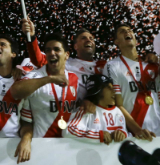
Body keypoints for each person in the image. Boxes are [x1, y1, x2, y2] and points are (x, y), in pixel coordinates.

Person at [105, 23, 160, 142]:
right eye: (122, 31)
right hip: (135, 136)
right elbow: (118, 105)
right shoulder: (112, 66)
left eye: (129, 30)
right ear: (116, 42)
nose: (127, 32)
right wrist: (138, 130)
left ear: (135, 39)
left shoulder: (151, 65)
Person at [12, 33, 79, 163]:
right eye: (48, 50)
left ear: (67, 55)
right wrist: (49, 79)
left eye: (56, 49)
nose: (51, 53)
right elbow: (15, 91)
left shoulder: (75, 78)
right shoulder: (36, 77)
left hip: (69, 148)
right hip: (42, 147)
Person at [22, 19, 106, 100]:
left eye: (91, 38)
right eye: (83, 38)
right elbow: (39, 59)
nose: (88, 40)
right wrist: (32, 37)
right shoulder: (66, 63)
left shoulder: (105, 65)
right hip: (75, 107)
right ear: (75, 46)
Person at [64, 74, 129, 144]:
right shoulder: (86, 110)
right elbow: (68, 130)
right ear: (98, 90)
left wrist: (123, 133)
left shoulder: (118, 111)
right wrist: (98, 135)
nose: (114, 91)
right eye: (109, 87)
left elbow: (125, 131)